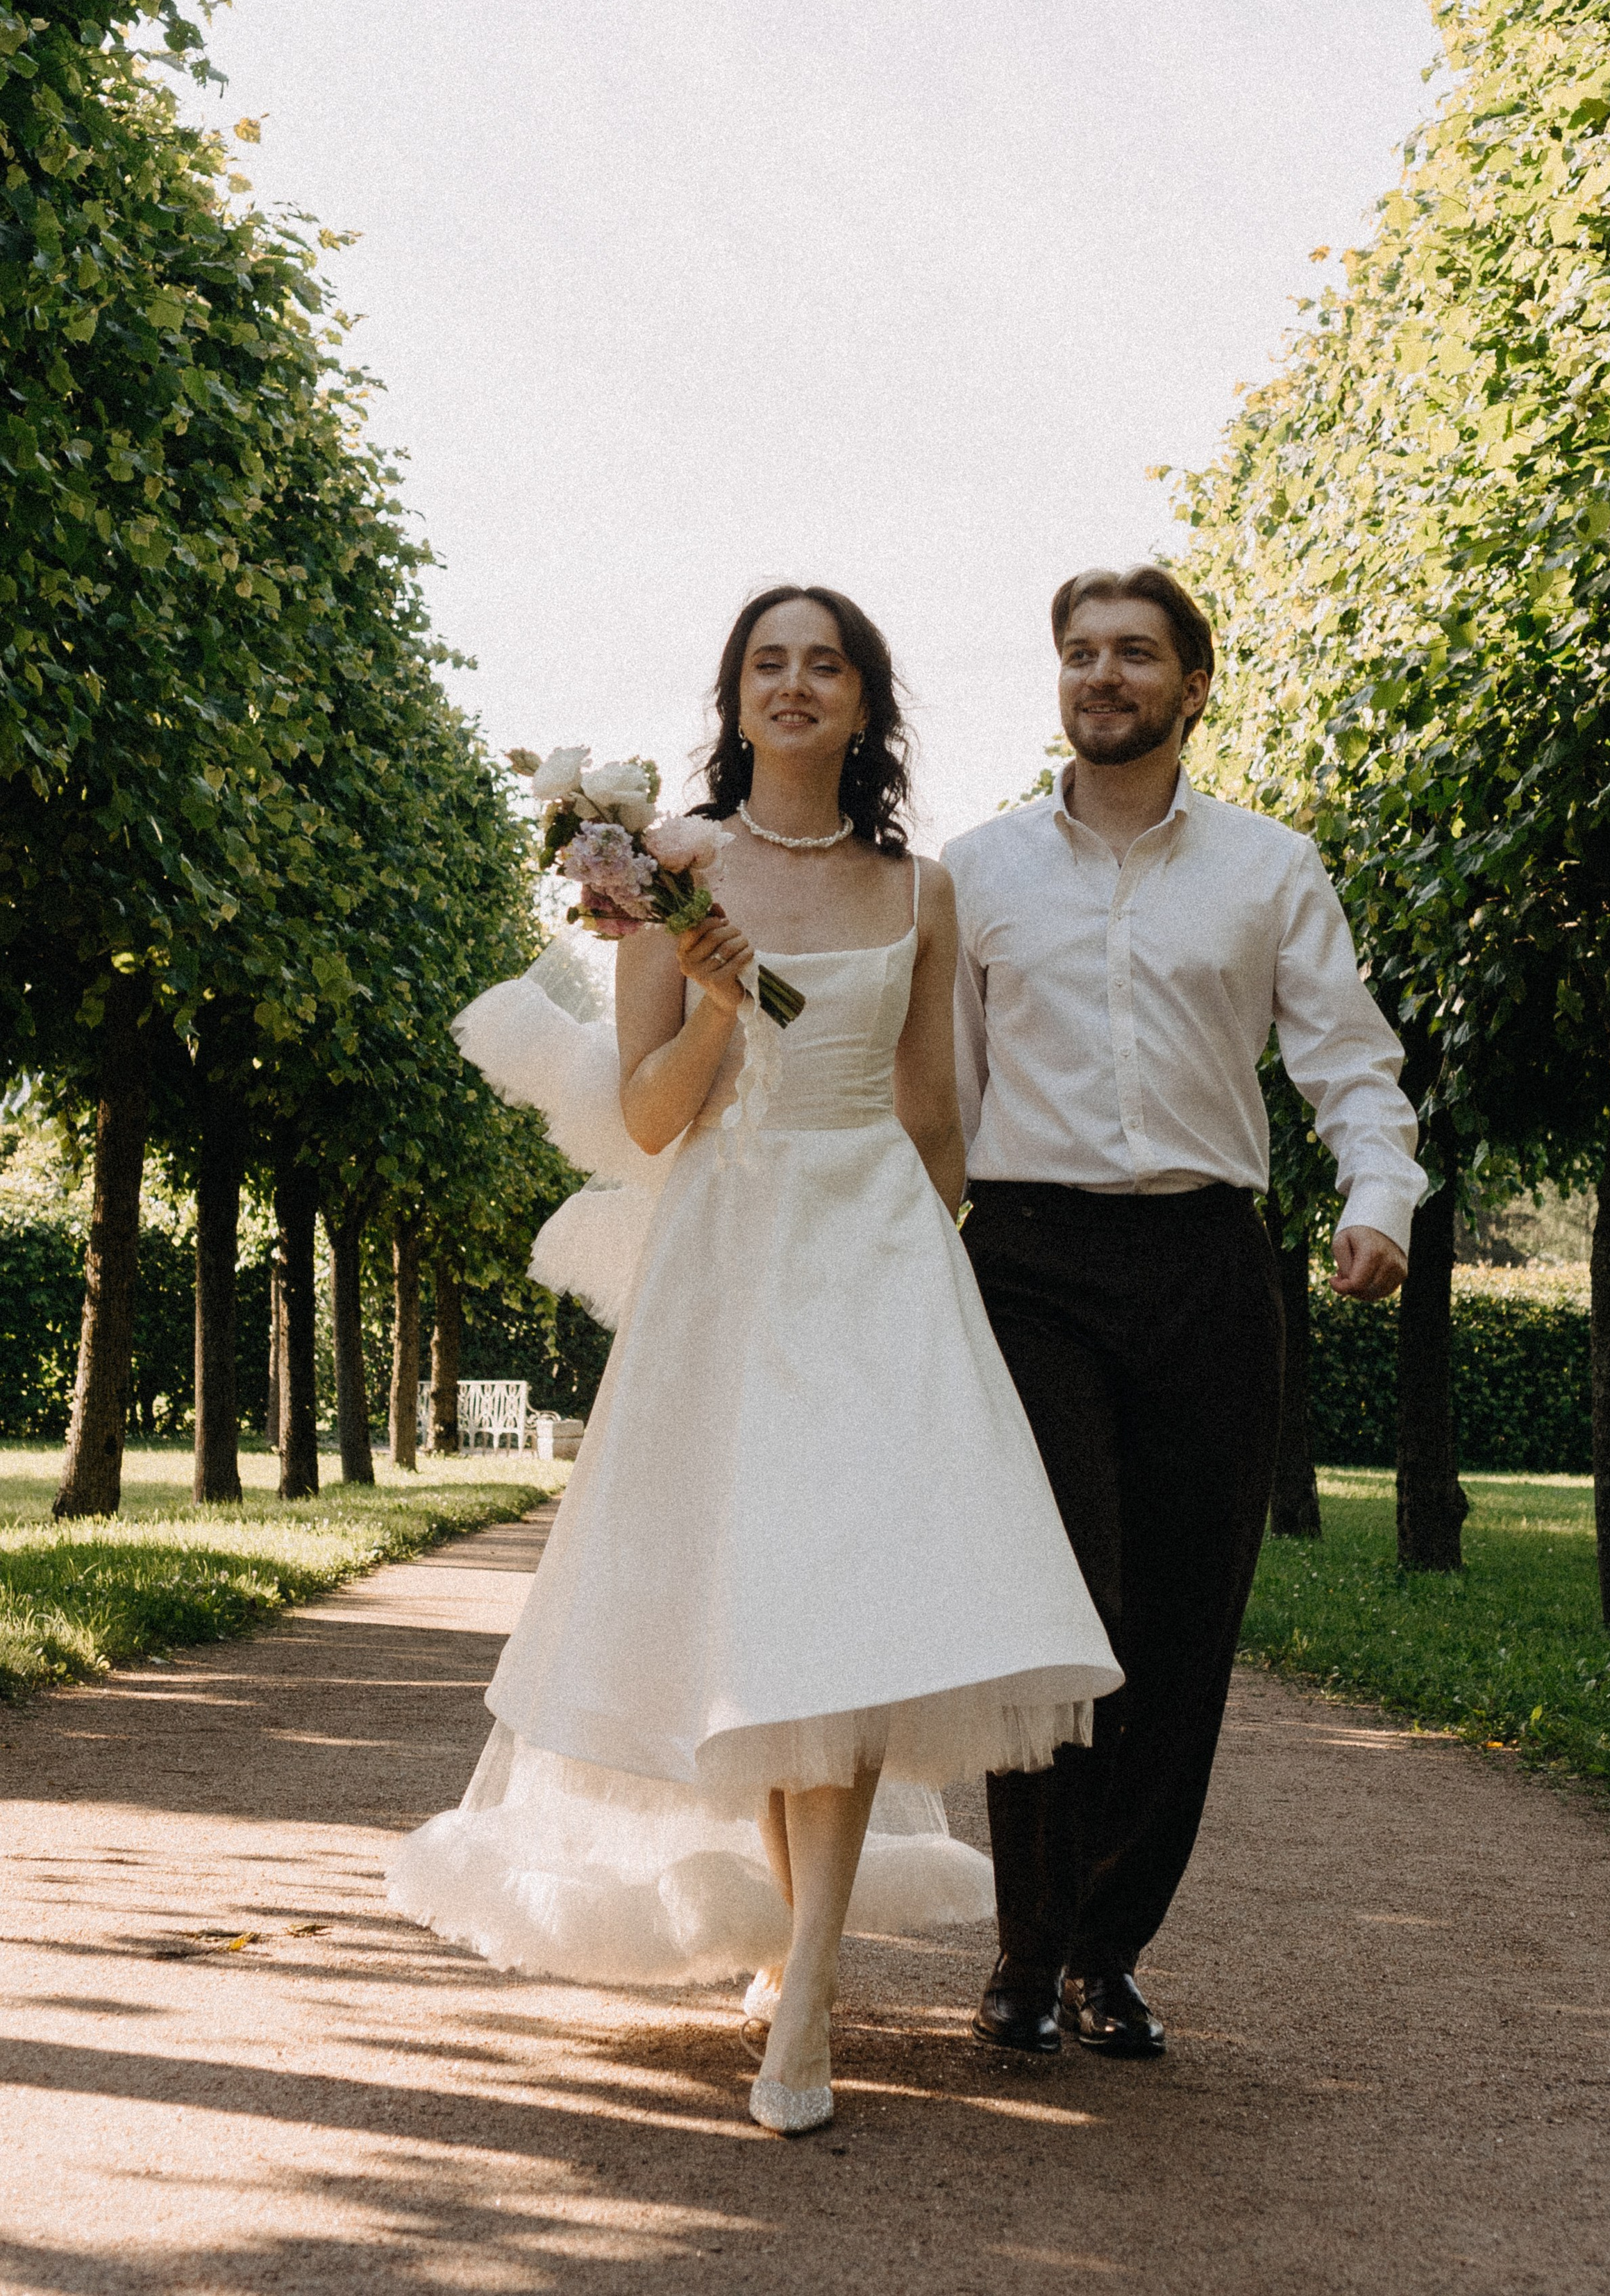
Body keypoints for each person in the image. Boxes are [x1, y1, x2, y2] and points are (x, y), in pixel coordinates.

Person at [389, 585, 1120, 2138]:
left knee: (842, 1616)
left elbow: (932, 1124)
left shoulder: (917, 892)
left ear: (863, 703)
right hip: (730, 1259)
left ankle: (801, 1991)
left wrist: (942, 1303)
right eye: (767, 664)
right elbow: (651, 1120)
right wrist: (716, 1003)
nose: (796, 686)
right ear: (734, 699)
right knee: (760, 1612)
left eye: (825, 664)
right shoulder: (666, 873)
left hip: (878, 1271)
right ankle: (800, 1957)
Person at [944, 565, 1425, 2060]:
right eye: (1079, 652)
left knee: (1181, 1620)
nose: (1101, 674)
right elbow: (938, 1092)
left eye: (1133, 653)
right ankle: (1026, 1952)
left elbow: (1347, 1059)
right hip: (1025, 1263)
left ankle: (1109, 1947)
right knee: (1056, 1609)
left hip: (1212, 1266)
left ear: (1192, 684)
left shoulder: (1270, 870)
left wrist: (1375, 1199)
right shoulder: (974, 874)